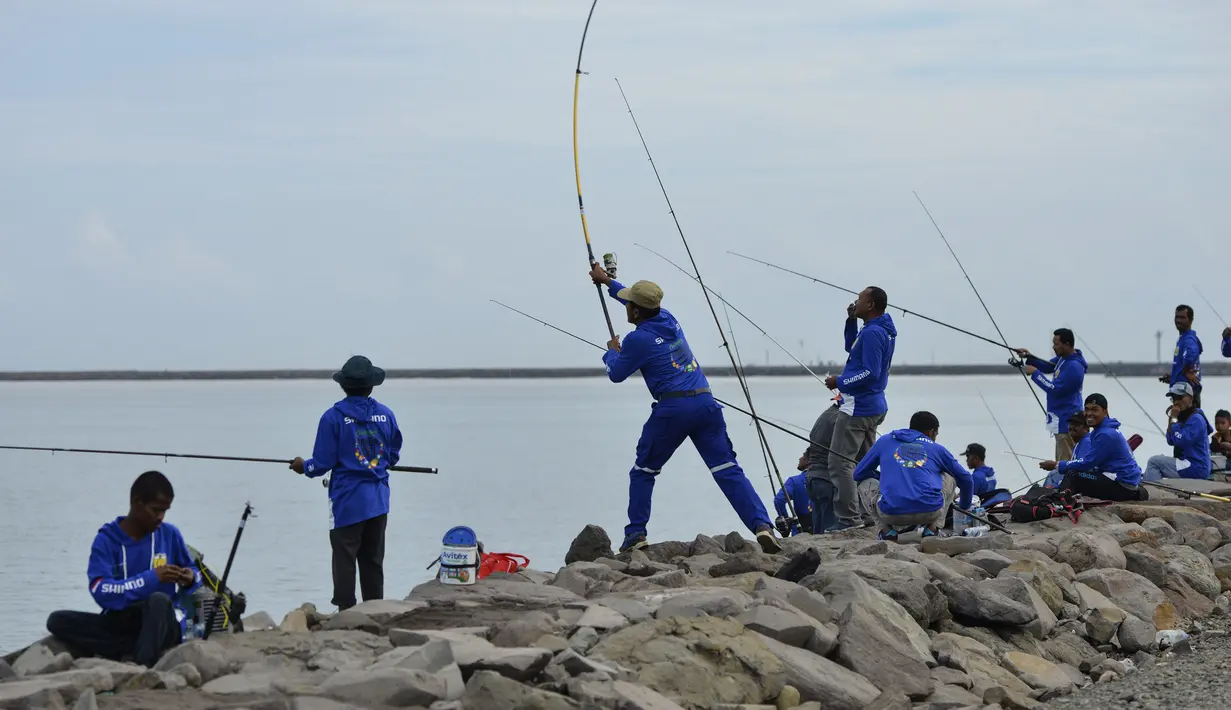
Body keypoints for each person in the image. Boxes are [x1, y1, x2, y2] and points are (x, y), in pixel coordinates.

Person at [589, 264, 781, 554]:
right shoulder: (668, 318)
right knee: (727, 468)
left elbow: (616, 374)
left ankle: (635, 535)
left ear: (637, 312)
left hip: (673, 409)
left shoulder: (636, 340)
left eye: (629, 304)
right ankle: (762, 525)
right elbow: (634, 300)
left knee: (643, 471)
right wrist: (608, 282)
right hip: (705, 403)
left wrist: (610, 352)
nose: (626, 306)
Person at [46, 471, 201, 667]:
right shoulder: (106, 540)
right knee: (57, 620)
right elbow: (100, 590)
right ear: (137, 503)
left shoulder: (170, 534)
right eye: (156, 510)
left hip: (163, 621)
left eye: (165, 511)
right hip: (123, 621)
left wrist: (189, 577)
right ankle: (130, 647)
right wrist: (152, 578)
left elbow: (195, 571)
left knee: (159, 601)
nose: (161, 517)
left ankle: (141, 664)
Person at [291, 355, 403, 611]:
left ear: (343, 385)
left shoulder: (332, 418)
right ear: (372, 385)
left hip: (346, 502)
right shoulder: (386, 415)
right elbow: (393, 454)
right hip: (378, 500)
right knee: (373, 560)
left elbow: (320, 463)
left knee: (344, 557)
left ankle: (346, 610)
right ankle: (376, 609)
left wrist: (302, 466)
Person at [811, 288, 897, 532]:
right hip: (873, 405)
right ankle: (868, 513)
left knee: (839, 465)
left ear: (870, 305)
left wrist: (839, 382)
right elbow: (852, 347)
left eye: (859, 299)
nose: (854, 301)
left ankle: (849, 519)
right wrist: (850, 320)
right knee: (863, 465)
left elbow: (871, 372)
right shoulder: (877, 330)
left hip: (858, 408)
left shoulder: (873, 333)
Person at [853, 411, 974, 542]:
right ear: (931, 432)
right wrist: (964, 506)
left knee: (864, 482)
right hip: (931, 511)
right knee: (949, 476)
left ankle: (885, 530)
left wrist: (883, 477)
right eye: (936, 434)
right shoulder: (937, 449)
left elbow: (858, 473)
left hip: (890, 514)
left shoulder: (885, 441)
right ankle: (933, 529)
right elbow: (966, 479)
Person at [1038, 393, 1146, 501]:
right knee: (1078, 474)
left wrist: (1057, 465)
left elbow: (1087, 463)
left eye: (1095, 410)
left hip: (1123, 487)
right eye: (1086, 409)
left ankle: (1059, 503)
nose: (1089, 413)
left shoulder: (1105, 434)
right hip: (1123, 484)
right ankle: (1061, 498)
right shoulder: (1103, 430)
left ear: (1105, 412)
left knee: (1073, 474)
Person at [1014, 328, 1087, 460]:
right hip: (1060, 421)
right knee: (1062, 461)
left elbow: (1054, 389)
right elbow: (1047, 366)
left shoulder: (1074, 367)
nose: (1053, 347)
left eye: (1056, 344)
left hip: (1067, 423)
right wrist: (1029, 357)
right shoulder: (1063, 358)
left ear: (1067, 344)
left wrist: (1035, 374)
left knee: (1065, 463)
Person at [1144, 382, 1213, 481]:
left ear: (1190, 398)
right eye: (1174, 398)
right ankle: (1146, 489)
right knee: (1153, 466)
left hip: (1196, 466)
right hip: (1186, 464)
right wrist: (1171, 420)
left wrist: (1174, 419)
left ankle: (1154, 493)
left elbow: (1181, 440)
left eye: (1180, 397)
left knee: (1154, 462)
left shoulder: (1196, 419)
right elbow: (1170, 441)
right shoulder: (1183, 417)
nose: (1176, 402)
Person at [1159, 305, 1202, 407]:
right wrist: (1175, 375)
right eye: (1176, 317)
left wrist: (1186, 371)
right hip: (1180, 391)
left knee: (1186, 421)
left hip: (1186, 394)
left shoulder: (1189, 339)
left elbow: (1191, 354)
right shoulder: (1183, 338)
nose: (1178, 320)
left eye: (1182, 318)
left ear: (1191, 320)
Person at [1044, 412, 1090, 488]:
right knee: (1054, 474)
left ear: (1086, 428)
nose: (1072, 427)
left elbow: (1081, 469)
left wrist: (1056, 465)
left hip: (1084, 482)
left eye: (1077, 424)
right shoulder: (1080, 441)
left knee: (1052, 475)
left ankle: (1047, 496)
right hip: (1077, 478)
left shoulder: (1087, 442)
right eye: (1070, 424)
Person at [774, 453, 815, 536]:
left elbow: (779, 500)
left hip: (801, 532)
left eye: (803, 456)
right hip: (826, 529)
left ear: (808, 461)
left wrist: (786, 519)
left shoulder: (794, 481)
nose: (800, 458)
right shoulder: (830, 479)